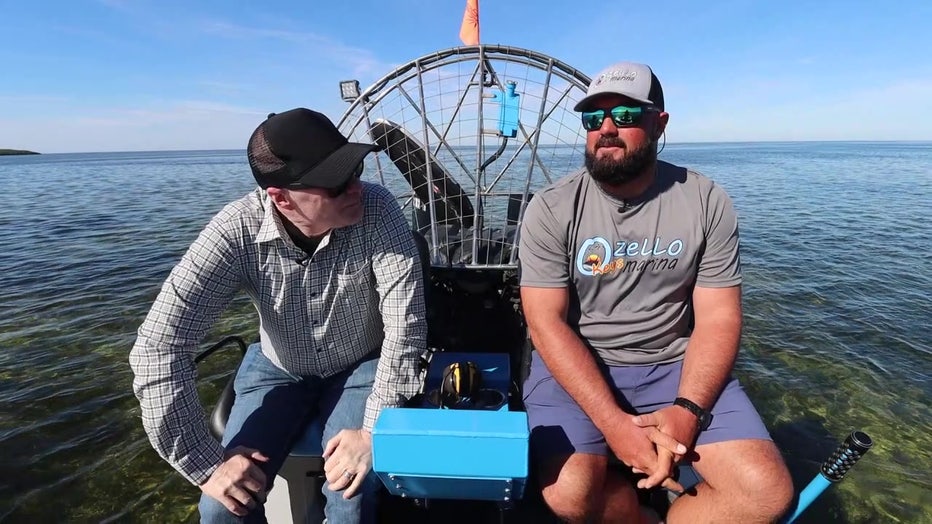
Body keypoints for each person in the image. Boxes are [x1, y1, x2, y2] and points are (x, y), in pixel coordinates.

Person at [518, 62, 794, 523]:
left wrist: (687, 410)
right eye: (593, 119)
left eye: (624, 115)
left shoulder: (705, 201)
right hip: (579, 363)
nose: (606, 129)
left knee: (765, 493)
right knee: (569, 495)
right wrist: (614, 425)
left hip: (673, 364)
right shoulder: (551, 208)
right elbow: (544, 322)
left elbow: (719, 318)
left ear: (659, 123)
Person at [129, 107, 427, 523]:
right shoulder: (235, 231)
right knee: (221, 507)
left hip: (362, 364)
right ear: (281, 197)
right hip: (277, 367)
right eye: (337, 183)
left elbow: (405, 325)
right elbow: (157, 348)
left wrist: (372, 429)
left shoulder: (378, 208)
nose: (355, 187)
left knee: (351, 495)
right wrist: (204, 466)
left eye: (355, 170)